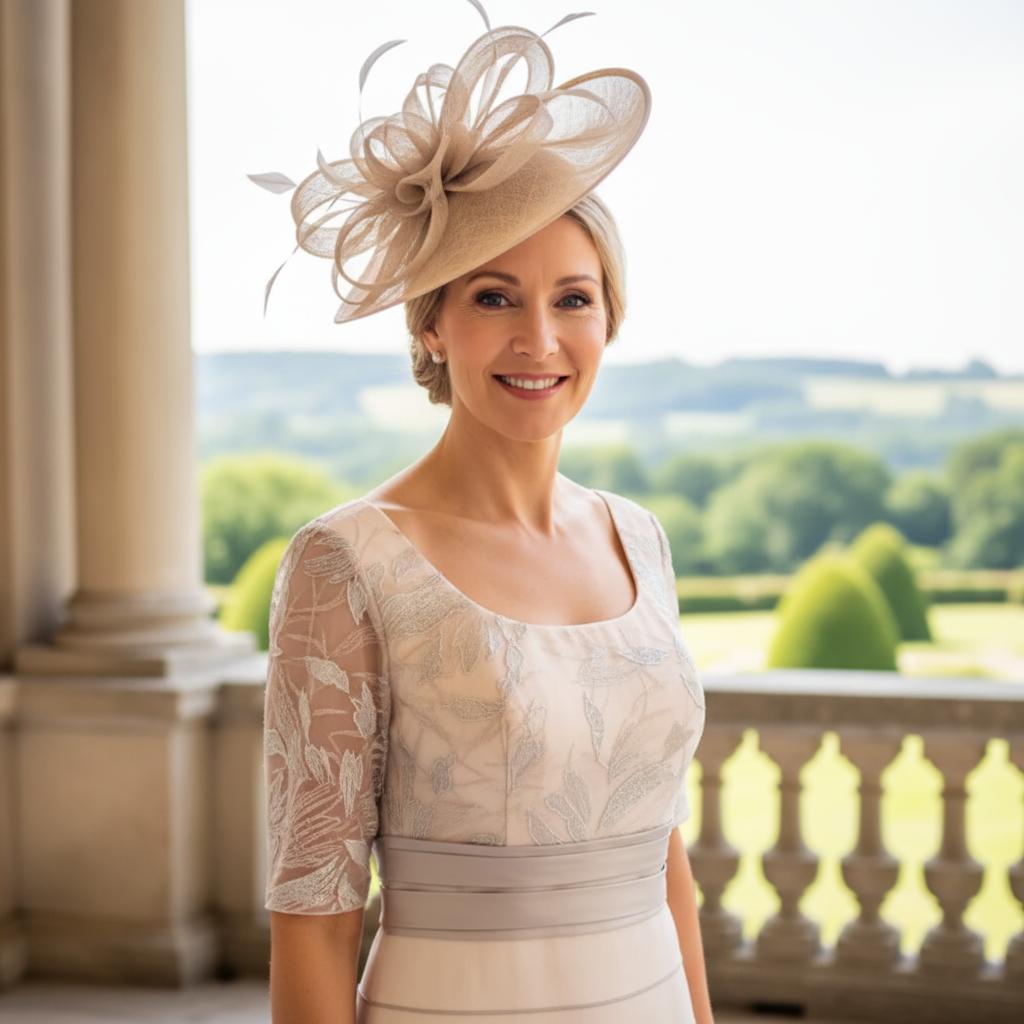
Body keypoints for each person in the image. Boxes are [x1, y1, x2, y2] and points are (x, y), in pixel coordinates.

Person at [253, 4, 710, 1021]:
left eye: (574, 299)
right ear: (431, 325)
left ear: (609, 318)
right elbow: (314, 913)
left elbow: (663, 852)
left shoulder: (638, 539)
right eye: (495, 297)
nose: (538, 339)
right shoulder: (348, 561)